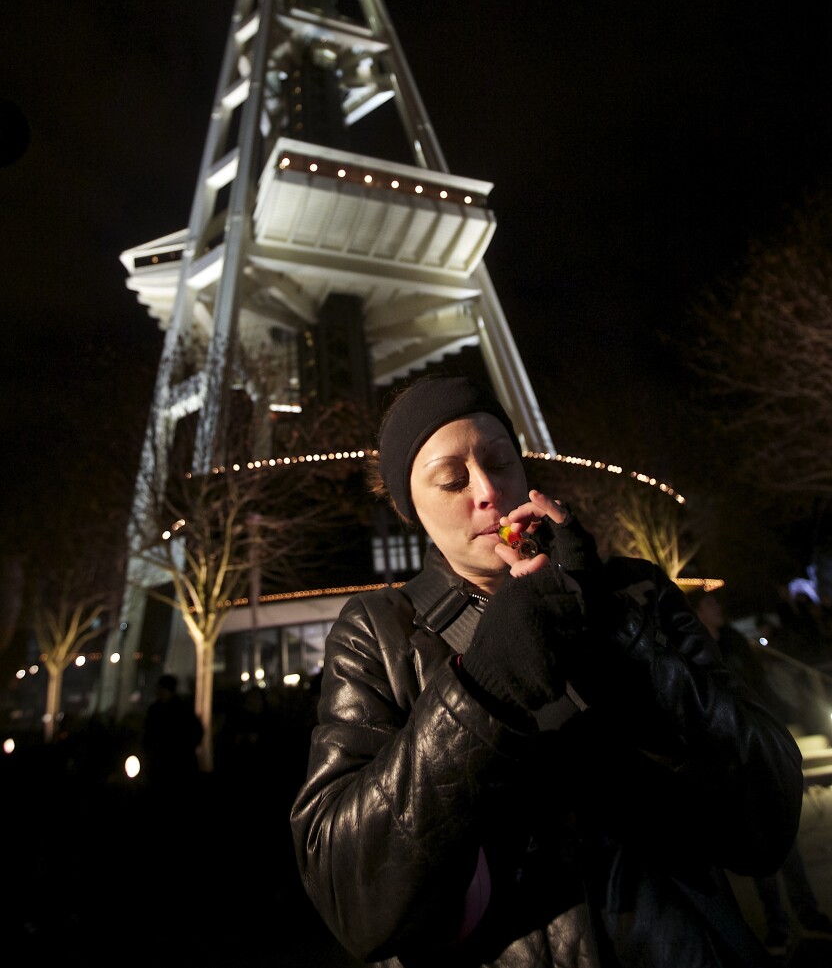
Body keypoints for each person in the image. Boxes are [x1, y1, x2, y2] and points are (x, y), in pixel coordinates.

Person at [291, 373, 804, 967]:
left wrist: (613, 634)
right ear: (413, 510)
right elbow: (349, 894)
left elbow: (767, 813)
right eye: (452, 480)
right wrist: (480, 692)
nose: (487, 491)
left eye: (500, 462)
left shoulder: (634, 593)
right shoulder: (378, 634)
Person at [695, 593, 832, 959]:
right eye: (711, 605)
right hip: (730, 754)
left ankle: (802, 916)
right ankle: (780, 923)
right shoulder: (701, 648)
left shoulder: (731, 642)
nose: (718, 608)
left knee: (782, 836)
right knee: (762, 841)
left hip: (752, 746)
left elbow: (754, 684)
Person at [141, 672, 204, 792]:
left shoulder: (180, 710)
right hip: (167, 761)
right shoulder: (157, 709)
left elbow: (196, 732)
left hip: (177, 761)